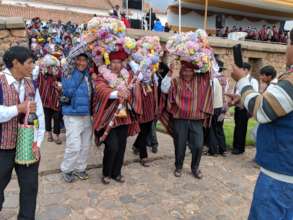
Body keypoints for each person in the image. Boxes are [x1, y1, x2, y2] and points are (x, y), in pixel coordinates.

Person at [230, 28, 293, 220]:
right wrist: (242, 100)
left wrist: (242, 82)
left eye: (288, 43)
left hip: (280, 179)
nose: (286, 49)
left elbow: (263, 111)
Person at [0, 46, 45, 220]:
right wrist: (17, 108)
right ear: (15, 63)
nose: (33, 66)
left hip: (28, 144)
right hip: (3, 146)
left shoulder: (31, 83)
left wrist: (37, 142)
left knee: (30, 187)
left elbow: (39, 113)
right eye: (29, 62)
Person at [92, 47, 141, 184]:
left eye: (119, 62)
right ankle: (106, 173)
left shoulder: (127, 76)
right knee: (112, 146)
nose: (116, 65)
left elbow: (139, 79)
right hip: (108, 117)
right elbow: (100, 89)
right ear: (109, 63)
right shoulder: (103, 76)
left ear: (123, 63)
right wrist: (116, 93)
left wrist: (129, 93)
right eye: (113, 62)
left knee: (121, 146)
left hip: (123, 117)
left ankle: (117, 173)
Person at [161, 61, 213, 178]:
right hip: (180, 118)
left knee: (199, 145)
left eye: (189, 71)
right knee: (180, 144)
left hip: (196, 119)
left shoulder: (200, 81)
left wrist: (202, 59)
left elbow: (208, 72)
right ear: (181, 71)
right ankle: (178, 166)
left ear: (193, 72)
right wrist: (170, 72)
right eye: (184, 70)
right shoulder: (175, 81)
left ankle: (195, 167)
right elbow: (164, 89)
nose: (186, 73)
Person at [60, 53, 92, 183]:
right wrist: (89, 40)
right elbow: (70, 56)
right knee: (74, 145)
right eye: (79, 60)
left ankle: (80, 168)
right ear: (73, 61)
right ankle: (67, 169)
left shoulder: (87, 74)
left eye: (84, 60)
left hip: (87, 114)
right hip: (72, 114)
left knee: (85, 145)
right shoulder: (68, 71)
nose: (81, 63)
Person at [232, 62, 259, 155]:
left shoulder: (252, 81)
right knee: (237, 126)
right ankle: (235, 146)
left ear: (246, 70)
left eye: (242, 69)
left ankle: (240, 148)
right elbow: (236, 91)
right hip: (237, 106)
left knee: (242, 128)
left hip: (245, 108)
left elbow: (254, 93)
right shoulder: (238, 81)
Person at [38, 55, 62, 144]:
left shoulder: (57, 74)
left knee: (57, 117)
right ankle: (49, 134)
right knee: (47, 118)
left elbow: (61, 82)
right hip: (45, 100)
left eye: (51, 67)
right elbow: (39, 84)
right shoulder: (41, 75)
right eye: (48, 67)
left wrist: (59, 86)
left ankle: (56, 135)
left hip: (55, 99)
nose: (50, 69)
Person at [206, 60, 227, 156]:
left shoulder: (213, 80)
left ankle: (213, 150)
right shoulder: (224, 79)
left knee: (212, 129)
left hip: (213, 106)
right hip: (222, 107)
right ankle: (223, 149)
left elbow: (211, 94)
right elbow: (225, 93)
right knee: (219, 128)